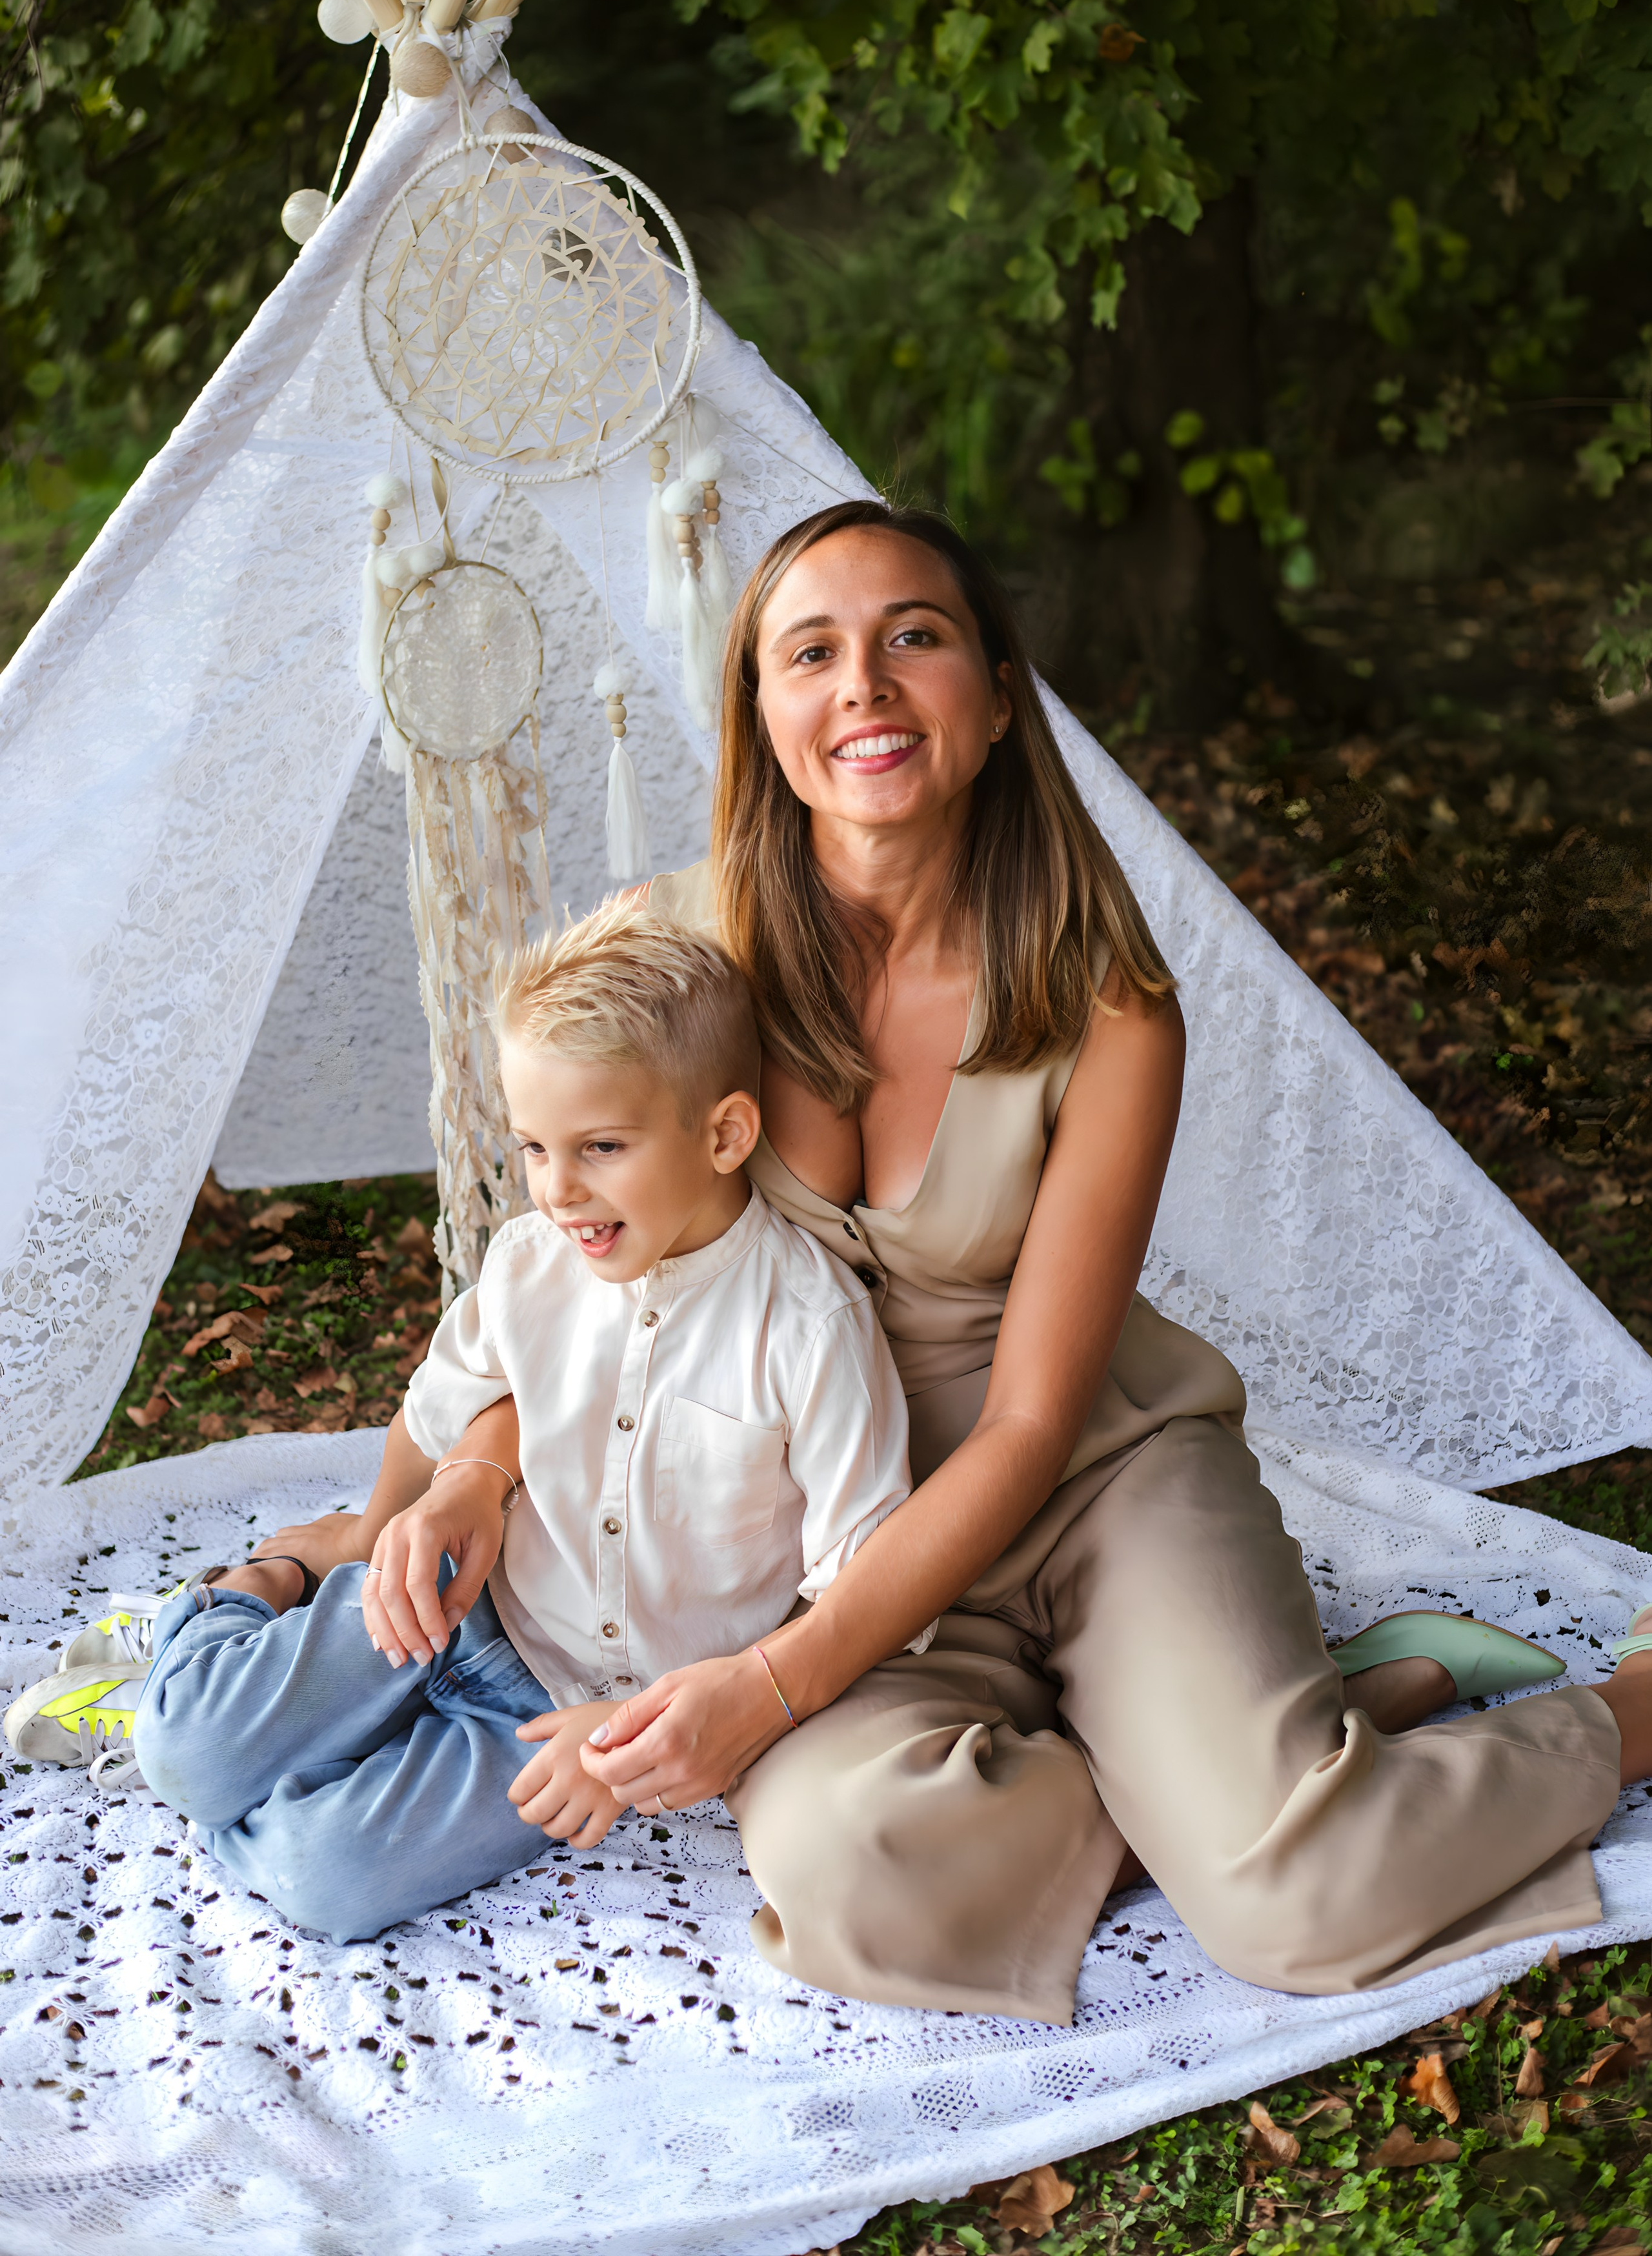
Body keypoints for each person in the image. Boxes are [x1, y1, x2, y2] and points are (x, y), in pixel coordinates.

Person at [547, 499, 1649, 2027]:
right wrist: (462, 1481)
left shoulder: (1105, 1003)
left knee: (1299, 1905)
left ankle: (1622, 1711)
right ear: (760, 715)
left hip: (1095, 1476)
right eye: (811, 652)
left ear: (996, 699)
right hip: (841, 1512)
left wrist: (782, 1683)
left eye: (911, 638)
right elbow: (556, 1277)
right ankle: (1287, 1742)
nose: (861, 683)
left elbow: (1026, 1424)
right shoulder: (667, 957)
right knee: (849, 1863)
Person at [8, 904, 912, 1943]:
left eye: (600, 1146)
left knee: (324, 1878)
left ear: (724, 1133)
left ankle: (280, 1744)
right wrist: (381, 1529)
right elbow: (438, 1408)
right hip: (456, 1599)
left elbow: (856, 1584)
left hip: (565, 1715)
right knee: (185, 1750)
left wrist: (639, 1735)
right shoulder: (531, 1264)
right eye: (533, 1145)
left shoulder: (809, 1323)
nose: (558, 1187)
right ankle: (230, 1607)